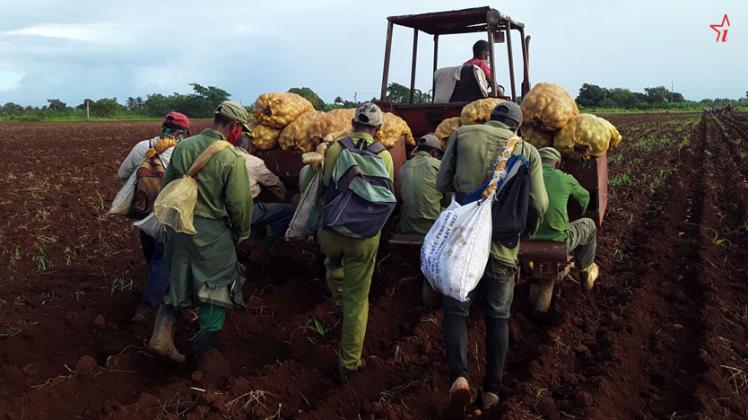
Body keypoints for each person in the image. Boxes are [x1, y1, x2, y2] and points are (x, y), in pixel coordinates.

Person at [436, 102, 548, 414]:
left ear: (490, 118)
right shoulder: (528, 151)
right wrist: (525, 233)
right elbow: (539, 203)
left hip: (462, 245)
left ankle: (459, 378)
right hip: (502, 247)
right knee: (498, 315)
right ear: (517, 127)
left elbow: (441, 184)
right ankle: (492, 391)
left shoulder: (462, 135)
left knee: (457, 311)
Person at [148, 101, 253, 363]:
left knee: (178, 280)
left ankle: (161, 336)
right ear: (235, 127)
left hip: (178, 228)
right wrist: (241, 232)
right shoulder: (231, 158)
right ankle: (203, 360)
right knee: (216, 291)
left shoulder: (183, 147)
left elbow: (168, 187)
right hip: (212, 235)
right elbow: (239, 204)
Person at [318, 102, 394, 382]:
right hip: (364, 237)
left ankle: (338, 302)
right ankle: (349, 364)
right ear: (378, 128)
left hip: (332, 230)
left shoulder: (336, 149)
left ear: (352, 123)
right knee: (358, 299)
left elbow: (325, 185)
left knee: (333, 264)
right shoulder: (383, 155)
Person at [116, 112, 191, 323]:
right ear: (180, 133)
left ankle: (156, 284)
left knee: (151, 252)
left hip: (144, 208)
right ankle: (147, 308)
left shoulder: (144, 146)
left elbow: (123, 173)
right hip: (168, 212)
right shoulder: (183, 150)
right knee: (163, 260)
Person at [533, 147, 599, 289]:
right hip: (558, 240)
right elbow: (584, 198)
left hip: (525, 240)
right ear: (557, 164)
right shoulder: (565, 178)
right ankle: (585, 270)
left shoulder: (525, 177)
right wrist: (574, 214)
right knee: (590, 225)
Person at [235, 134, 293, 263]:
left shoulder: (221, 157)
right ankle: (262, 249)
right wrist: (285, 198)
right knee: (287, 212)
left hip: (219, 210)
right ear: (249, 147)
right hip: (242, 212)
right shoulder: (254, 162)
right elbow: (275, 184)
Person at [398, 134, 448, 235]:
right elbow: (449, 199)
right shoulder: (438, 165)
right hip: (433, 227)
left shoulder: (404, 167)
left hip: (407, 226)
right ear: (434, 152)